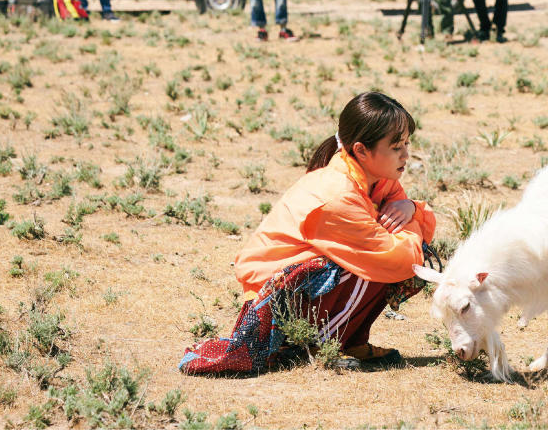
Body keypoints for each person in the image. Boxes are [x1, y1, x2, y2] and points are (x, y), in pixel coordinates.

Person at [179, 92, 436, 375]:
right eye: (396, 146)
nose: (406, 154)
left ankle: (348, 341)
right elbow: (398, 258)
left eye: (407, 143)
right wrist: (414, 217)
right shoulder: (337, 195)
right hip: (271, 296)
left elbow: (404, 241)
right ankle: (316, 346)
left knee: (380, 258)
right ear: (362, 150)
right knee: (365, 265)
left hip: (298, 289)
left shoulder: (379, 180)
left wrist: (409, 207)